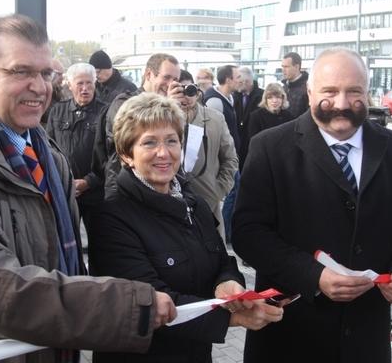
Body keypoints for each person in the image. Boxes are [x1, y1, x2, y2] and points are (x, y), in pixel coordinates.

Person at [0, 14, 176, 361]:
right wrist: (123, 307)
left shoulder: (44, 151)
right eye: (21, 71)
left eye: (45, 73)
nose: (41, 87)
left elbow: (62, 261)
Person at [232, 47, 392, 363]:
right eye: (330, 91)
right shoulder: (270, 147)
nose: (341, 103)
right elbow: (248, 233)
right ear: (310, 92)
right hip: (291, 336)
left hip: (367, 336)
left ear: (367, 93)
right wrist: (313, 276)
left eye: (354, 92)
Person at [88, 92, 283, 362]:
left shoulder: (194, 203)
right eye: (149, 143)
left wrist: (227, 283)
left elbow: (221, 260)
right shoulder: (112, 217)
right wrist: (231, 318)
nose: (164, 153)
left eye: (172, 140)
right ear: (126, 155)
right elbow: (150, 299)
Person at [91, 53, 182, 199]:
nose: (171, 84)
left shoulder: (171, 108)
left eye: (176, 80)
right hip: (125, 192)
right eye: (166, 78)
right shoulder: (124, 102)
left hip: (159, 188)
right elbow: (131, 138)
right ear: (149, 74)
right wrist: (167, 106)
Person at [47, 62, 106, 250]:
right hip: (65, 190)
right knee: (67, 243)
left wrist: (89, 181)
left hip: (96, 191)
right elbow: (49, 149)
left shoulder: (105, 111)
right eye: (80, 83)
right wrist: (64, 181)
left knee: (100, 244)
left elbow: (112, 155)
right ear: (70, 85)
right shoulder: (57, 110)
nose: (85, 88)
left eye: (89, 83)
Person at [179, 69, 238, 239]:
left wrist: (219, 189)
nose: (185, 96)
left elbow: (230, 158)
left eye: (189, 90)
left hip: (208, 201)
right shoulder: (163, 117)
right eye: (179, 90)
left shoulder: (214, 119)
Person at [203, 65, 241, 243]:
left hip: (230, 158)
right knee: (231, 196)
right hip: (223, 162)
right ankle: (224, 234)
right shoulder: (215, 102)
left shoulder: (228, 98)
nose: (240, 80)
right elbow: (213, 135)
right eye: (237, 76)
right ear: (228, 79)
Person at [245, 83, 293, 162]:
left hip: (283, 158)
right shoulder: (256, 116)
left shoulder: (289, 116)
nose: (274, 101)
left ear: (283, 99)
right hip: (262, 158)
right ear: (265, 100)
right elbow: (253, 141)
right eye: (270, 98)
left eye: (278, 97)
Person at [232, 66, 263, 170]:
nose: (237, 84)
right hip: (238, 143)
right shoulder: (235, 95)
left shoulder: (262, 96)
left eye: (239, 82)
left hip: (253, 141)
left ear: (248, 81)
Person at [281, 51, 309, 119]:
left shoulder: (308, 88)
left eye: (286, 67)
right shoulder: (282, 88)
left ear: (296, 67)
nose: (283, 70)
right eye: (282, 66)